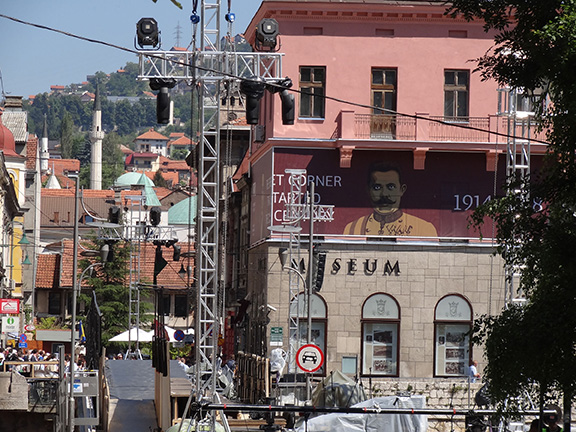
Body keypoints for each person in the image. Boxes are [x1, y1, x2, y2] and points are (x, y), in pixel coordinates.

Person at [343, 163, 438, 237]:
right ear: (368, 190)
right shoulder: (352, 228)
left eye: (391, 187)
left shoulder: (424, 229)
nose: (384, 194)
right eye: (377, 187)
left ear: (402, 190)